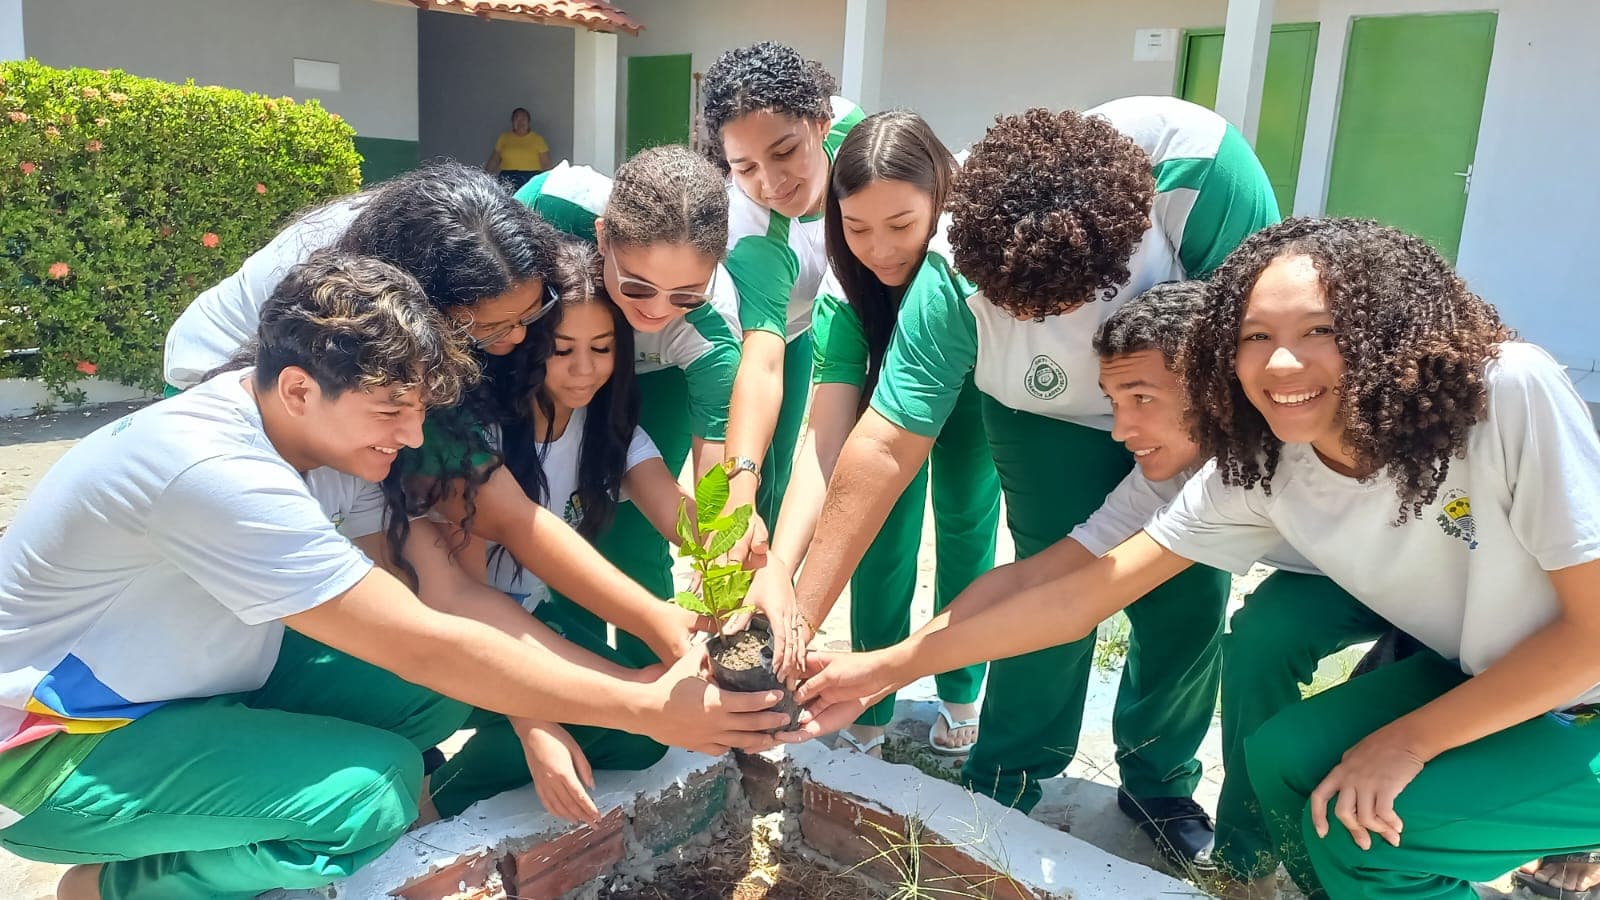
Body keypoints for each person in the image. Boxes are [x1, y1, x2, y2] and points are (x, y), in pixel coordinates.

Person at [791, 217, 1600, 900]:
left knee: (1381, 827)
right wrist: (884, 668)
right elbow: (1073, 596)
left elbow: (1590, 637)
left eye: (1319, 330)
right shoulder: (1257, 470)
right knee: (1288, 761)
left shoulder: (1506, 395)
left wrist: (1406, 741)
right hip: (1477, 668)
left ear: (1384, 328)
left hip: (1580, 690)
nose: (1282, 364)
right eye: (1256, 337)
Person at [0, 251, 791, 900]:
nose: (413, 437)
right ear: (300, 388)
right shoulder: (215, 471)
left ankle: (254, 803)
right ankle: (117, 887)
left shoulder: (325, 440)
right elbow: (419, 641)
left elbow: (448, 602)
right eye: (391, 413)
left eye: (419, 410)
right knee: (372, 794)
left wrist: (642, 686)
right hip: (63, 750)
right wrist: (643, 707)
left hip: (191, 694)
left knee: (443, 690)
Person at [786, 97, 1279, 863]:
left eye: (1058, 313)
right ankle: (1009, 774)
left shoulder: (1202, 174)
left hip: (1186, 400)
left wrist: (1187, 428)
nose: (1039, 327)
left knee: (1186, 589)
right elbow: (884, 445)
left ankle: (1158, 776)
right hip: (1037, 411)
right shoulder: (953, 265)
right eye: (1010, 309)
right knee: (1049, 568)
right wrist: (797, 619)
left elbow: (1259, 340)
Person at [163, 163, 696, 664]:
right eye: (490, 331)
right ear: (425, 312)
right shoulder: (347, 304)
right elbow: (505, 513)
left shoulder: (476, 251)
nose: (518, 342)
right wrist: (653, 626)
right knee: (286, 599)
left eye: (532, 317)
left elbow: (465, 574)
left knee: (413, 578)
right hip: (226, 379)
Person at [425, 242, 705, 823]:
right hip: (465, 631)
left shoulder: (610, 429)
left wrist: (744, 556)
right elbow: (467, 597)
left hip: (540, 618)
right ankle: (436, 792)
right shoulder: (485, 437)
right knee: (583, 718)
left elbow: (680, 517)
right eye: (562, 350)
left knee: (644, 734)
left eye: (602, 349)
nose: (584, 369)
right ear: (527, 349)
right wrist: (535, 722)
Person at [749, 110, 1000, 758]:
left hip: (975, 392)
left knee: (968, 518)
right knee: (876, 529)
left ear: (941, 203)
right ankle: (869, 701)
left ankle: (962, 688)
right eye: (856, 228)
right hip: (887, 407)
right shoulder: (846, 291)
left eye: (901, 226)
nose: (880, 248)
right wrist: (779, 566)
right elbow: (826, 442)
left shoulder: (970, 265)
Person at [509, 146, 774, 662]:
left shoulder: (711, 335)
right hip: (550, 358)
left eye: (685, 296)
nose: (654, 311)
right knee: (554, 505)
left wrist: (723, 541)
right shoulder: (548, 210)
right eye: (637, 286)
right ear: (603, 236)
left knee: (631, 523)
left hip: (661, 374)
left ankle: (652, 670)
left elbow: (713, 477)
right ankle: (566, 653)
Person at [701, 41, 865, 526]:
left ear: (821, 123)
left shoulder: (857, 133)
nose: (771, 183)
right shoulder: (751, 233)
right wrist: (741, 479)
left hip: (807, 325)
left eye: (785, 151)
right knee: (761, 473)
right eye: (745, 168)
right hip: (753, 334)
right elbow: (763, 361)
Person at [485, 107, 551, 192]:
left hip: (530, 178)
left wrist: (546, 183)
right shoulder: (504, 138)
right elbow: (494, 160)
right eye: (517, 118)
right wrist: (485, 177)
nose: (520, 122)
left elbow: (546, 164)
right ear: (512, 122)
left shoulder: (537, 139)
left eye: (523, 118)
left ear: (528, 122)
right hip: (507, 178)